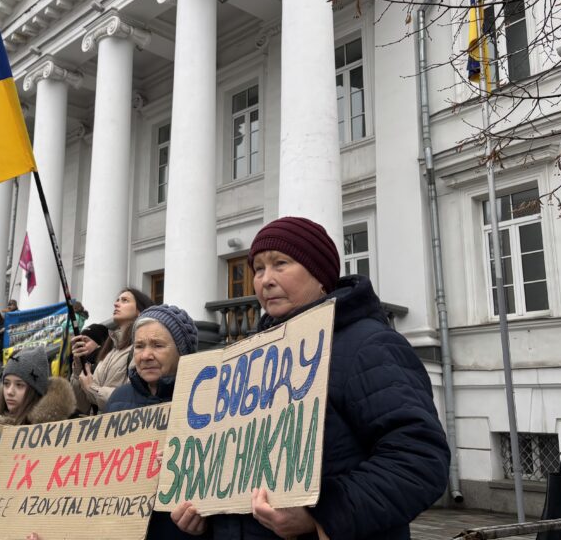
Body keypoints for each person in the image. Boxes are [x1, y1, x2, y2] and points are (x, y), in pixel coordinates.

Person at [170, 216, 449, 540]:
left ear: (320, 276)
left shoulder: (369, 345)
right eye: (258, 269)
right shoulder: (249, 359)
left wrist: (320, 517)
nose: (265, 280)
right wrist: (206, 515)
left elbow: (419, 460)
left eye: (281, 264)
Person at [106, 305, 205, 539]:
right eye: (139, 346)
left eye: (158, 345)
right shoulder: (117, 399)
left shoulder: (203, 400)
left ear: (182, 351)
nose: (145, 355)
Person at [70, 288, 154, 414]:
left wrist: (92, 388)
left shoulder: (140, 351)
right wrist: (78, 370)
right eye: (117, 300)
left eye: (125, 300)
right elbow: (82, 407)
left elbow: (132, 399)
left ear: (139, 311)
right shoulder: (108, 352)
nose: (116, 304)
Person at [0, 348, 74, 425]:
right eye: (6, 384)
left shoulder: (51, 428)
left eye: (19, 385)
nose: (9, 392)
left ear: (34, 390)